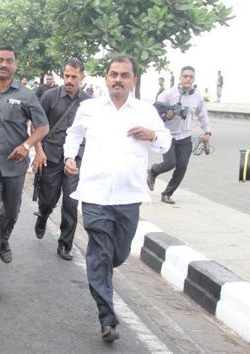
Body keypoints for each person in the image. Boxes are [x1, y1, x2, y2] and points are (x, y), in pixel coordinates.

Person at [64, 54, 171, 342]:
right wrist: (69, 157)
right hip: (95, 194)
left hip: (128, 196)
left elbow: (165, 141)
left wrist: (151, 135)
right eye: (114, 74)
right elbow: (72, 135)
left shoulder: (145, 110)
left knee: (118, 254)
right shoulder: (89, 108)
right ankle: (107, 319)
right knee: (99, 252)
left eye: (125, 75)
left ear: (133, 80)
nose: (118, 80)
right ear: (106, 77)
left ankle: (103, 274)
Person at [0, 46, 49, 290]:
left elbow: (42, 127)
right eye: (0, 61)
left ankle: (3, 239)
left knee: (11, 213)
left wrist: (27, 146)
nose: (4, 64)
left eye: (9, 61)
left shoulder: (26, 95)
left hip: (14, 166)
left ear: (15, 65)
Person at [33, 58, 91, 261]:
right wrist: (38, 151)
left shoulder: (89, 102)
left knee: (70, 202)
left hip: (75, 160)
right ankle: (43, 215)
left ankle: (65, 244)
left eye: (74, 77)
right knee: (48, 199)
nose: (69, 80)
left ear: (82, 77)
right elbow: (37, 126)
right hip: (52, 156)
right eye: (67, 76)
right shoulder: (50, 97)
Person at [147, 66, 211, 204]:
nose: (188, 79)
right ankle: (153, 171)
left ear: (193, 79)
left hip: (185, 136)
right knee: (170, 163)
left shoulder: (197, 96)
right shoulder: (168, 94)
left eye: (191, 77)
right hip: (168, 135)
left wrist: (207, 131)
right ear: (180, 78)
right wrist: (166, 115)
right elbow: (155, 113)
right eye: (185, 76)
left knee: (182, 167)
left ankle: (167, 193)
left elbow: (202, 114)